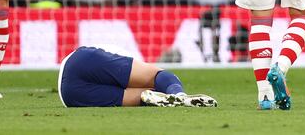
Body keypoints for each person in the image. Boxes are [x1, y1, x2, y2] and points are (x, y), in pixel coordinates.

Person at [58, 45, 216, 108]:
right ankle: (179, 94)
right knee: (157, 77)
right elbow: (161, 75)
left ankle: (174, 97)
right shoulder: (137, 62)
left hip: (69, 95)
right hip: (80, 63)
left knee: (146, 96)